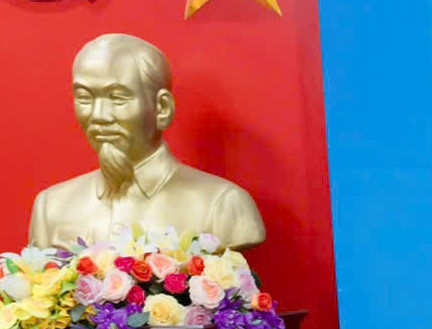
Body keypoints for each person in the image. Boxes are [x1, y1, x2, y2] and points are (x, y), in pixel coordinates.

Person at [29, 33, 265, 249]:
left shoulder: (221, 205)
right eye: (84, 98)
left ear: (162, 108)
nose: (98, 115)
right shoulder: (51, 207)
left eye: (117, 98)